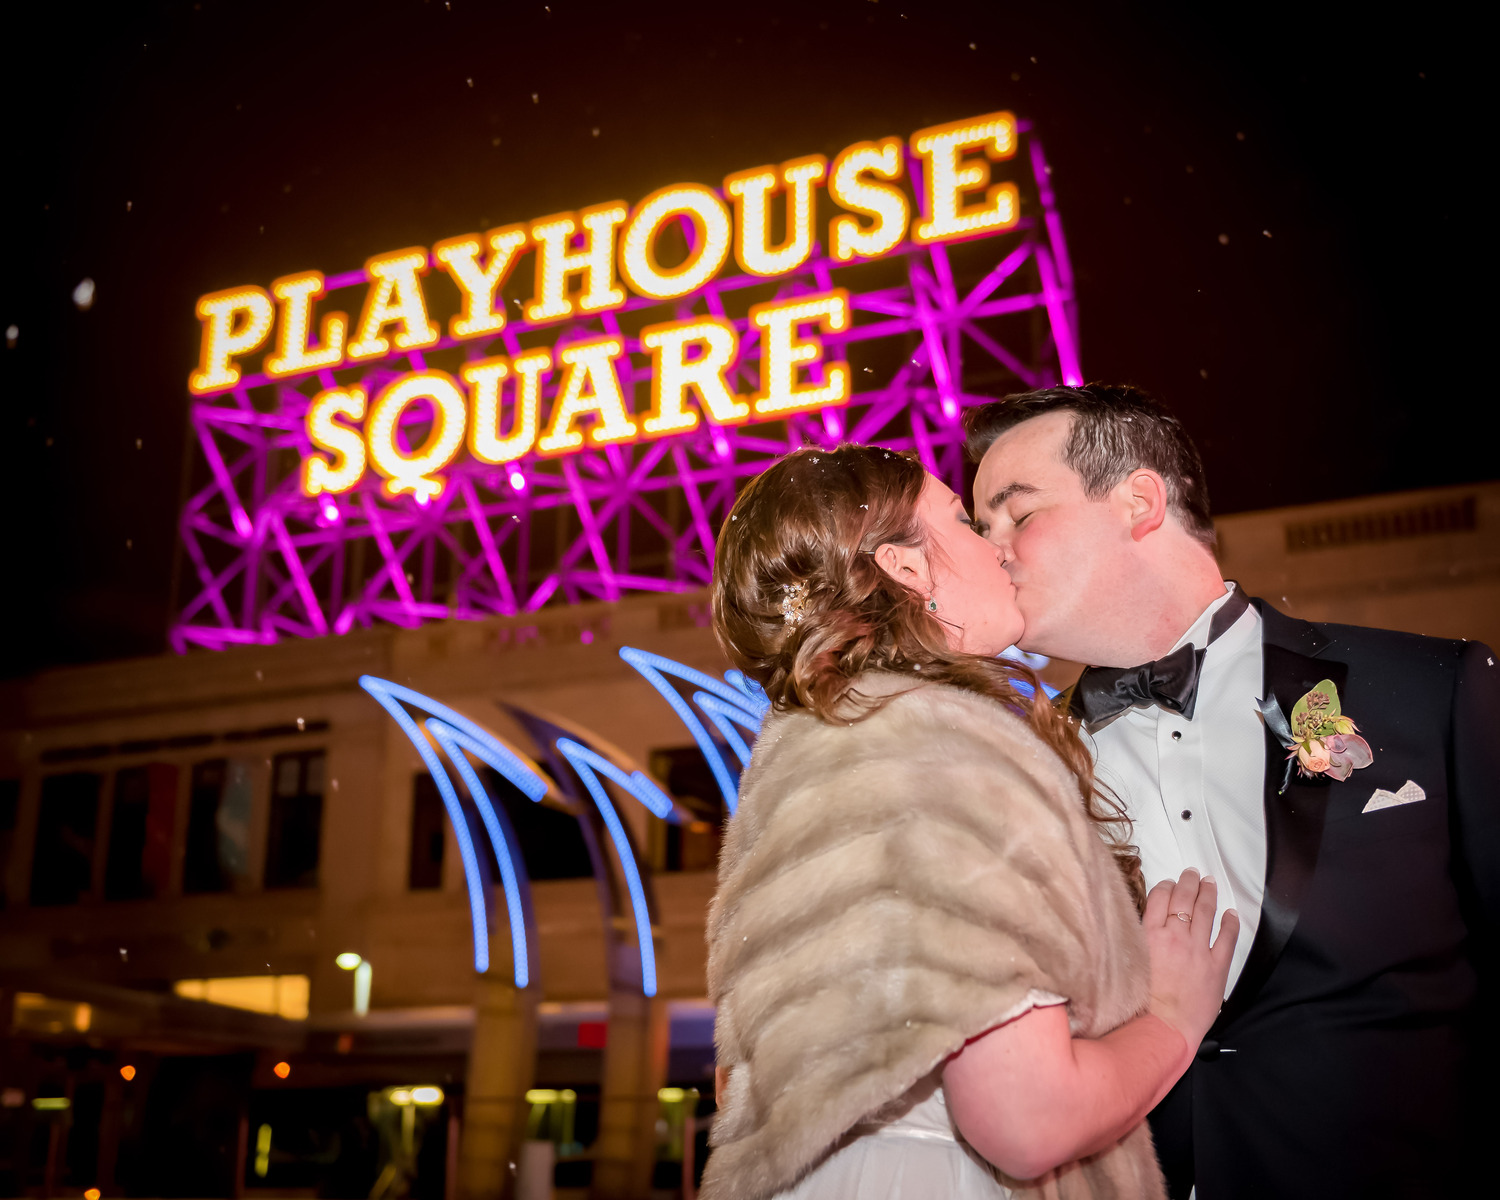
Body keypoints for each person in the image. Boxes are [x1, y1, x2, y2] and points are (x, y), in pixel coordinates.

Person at [964, 383, 1500, 1199]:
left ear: (1140, 502)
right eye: (980, 530)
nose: (990, 551)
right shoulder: (1018, 771)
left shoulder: (1430, 689)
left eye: (1017, 514)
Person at [701, 444, 1237, 1200]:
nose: (997, 547)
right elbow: (1027, 1121)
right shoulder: (942, 747)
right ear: (907, 568)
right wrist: (1173, 1019)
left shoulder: (810, 755)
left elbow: (742, 1081)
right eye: (964, 521)